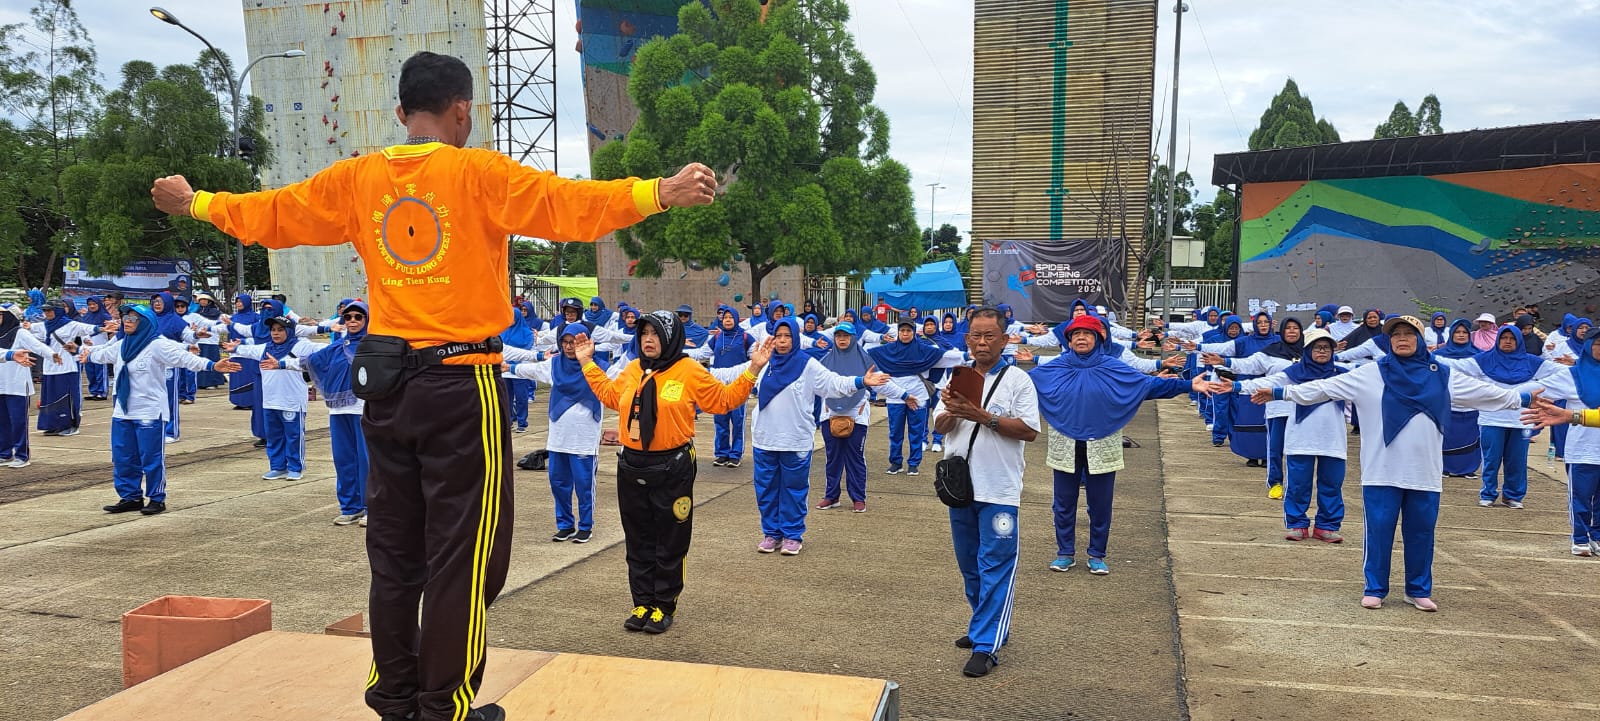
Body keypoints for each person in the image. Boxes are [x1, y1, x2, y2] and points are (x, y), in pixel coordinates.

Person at [150, 50, 718, 721]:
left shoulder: (358, 178)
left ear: (401, 112)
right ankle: (443, 706)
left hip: (387, 387)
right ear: (462, 111)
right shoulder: (478, 173)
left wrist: (197, 202)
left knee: (394, 551)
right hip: (461, 384)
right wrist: (659, 191)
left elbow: (275, 213)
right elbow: (567, 205)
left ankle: (395, 698)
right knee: (465, 556)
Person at [1260, 315, 1534, 611]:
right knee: (1379, 532)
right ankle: (1375, 588)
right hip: (1381, 471)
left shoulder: (1443, 375)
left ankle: (1417, 589)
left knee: (1421, 533)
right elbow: (1323, 388)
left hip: (1424, 472)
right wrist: (1280, 392)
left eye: (1409, 333)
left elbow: (1484, 393)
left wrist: (1523, 398)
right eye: (1395, 334)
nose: (1402, 338)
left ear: (1421, 340)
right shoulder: (1370, 374)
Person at [575, 311, 768, 634]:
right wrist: (587, 362)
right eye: (644, 334)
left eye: (655, 334)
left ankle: (664, 605)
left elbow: (722, 401)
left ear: (670, 337)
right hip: (632, 465)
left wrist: (753, 369)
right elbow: (611, 396)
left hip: (672, 467)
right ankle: (642, 603)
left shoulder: (688, 370)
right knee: (638, 540)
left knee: (670, 541)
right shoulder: (633, 370)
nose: (648, 340)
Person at [1030, 315, 1213, 575]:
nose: (1081, 338)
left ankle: (1097, 554)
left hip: (1103, 442)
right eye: (1076, 334)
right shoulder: (1053, 368)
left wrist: (1186, 385)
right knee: (1063, 503)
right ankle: (1065, 552)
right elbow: (1022, 385)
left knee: (1100, 503)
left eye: (1087, 334)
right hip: (1065, 442)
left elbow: (1147, 385)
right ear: (1068, 341)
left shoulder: (1113, 366)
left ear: (1098, 339)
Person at [929, 308, 1040, 679]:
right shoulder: (956, 376)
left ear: (1004, 339)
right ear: (966, 339)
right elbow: (939, 427)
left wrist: (981, 415)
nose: (981, 342)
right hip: (960, 488)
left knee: (995, 565)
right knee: (970, 565)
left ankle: (986, 645)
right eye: (975, 335)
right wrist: (953, 411)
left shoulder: (1018, 381)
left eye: (990, 335)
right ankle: (985, 626)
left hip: (999, 492)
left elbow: (1028, 430)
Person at [747, 317, 888, 555]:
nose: (782, 341)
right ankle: (771, 534)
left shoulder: (807, 364)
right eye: (778, 336)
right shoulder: (762, 362)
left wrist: (860, 381)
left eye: (787, 336)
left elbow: (833, 383)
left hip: (795, 440)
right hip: (765, 440)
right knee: (766, 490)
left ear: (795, 338)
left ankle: (792, 535)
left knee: (793, 490)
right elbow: (734, 379)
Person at [86, 305, 240, 516]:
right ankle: (130, 496)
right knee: (123, 457)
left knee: (151, 458)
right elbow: (101, 355)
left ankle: (156, 498)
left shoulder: (157, 345)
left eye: (133, 318)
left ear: (145, 322)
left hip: (149, 411)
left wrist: (212, 366)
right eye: (125, 317)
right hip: (123, 411)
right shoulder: (122, 345)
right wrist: (82, 353)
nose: (127, 321)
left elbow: (184, 358)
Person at [1434, 325, 1566, 509]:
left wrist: (1580, 363)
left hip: (1522, 420)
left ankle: (1513, 496)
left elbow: (1564, 373)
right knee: (1491, 459)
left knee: (1518, 461)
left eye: (1512, 338)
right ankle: (1488, 493)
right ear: (1497, 340)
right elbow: (1456, 365)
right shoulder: (1484, 360)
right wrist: (1426, 356)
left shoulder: (1533, 362)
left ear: (1519, 341)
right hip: (1491, 419)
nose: (1507, 341)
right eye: (1504, 338)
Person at [507, 322, 611, 543]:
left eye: (574, 342)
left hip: (584, 440)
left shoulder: (599, 368)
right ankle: (565, 525)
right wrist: (510, 368)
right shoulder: (554, 365)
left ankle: (585, 526)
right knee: (558, 483)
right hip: (558, 439)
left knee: (584, 486)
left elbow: (622, 381)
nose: (569, 347)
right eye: (565, 342)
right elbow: (533, 370)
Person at [1242, 329, 1350, 541]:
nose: (1322, 351)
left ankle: (1327, 526)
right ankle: (1297, 523)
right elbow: (1264, 383)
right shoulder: (1292, 374)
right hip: (1301, 439)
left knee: (1332, 485)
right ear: (1307, 351)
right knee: (1298, 485)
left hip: (1333, 440)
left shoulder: (1343, 375)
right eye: (1317, 347)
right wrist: (1236, 386)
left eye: (1326, 348)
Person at [287, 300, 373, 525]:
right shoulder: (337, 346)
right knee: (343, 459)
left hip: (365, 409)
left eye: (358, 317)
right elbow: (311, 361)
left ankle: (371, 508)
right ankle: (350, 507)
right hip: (338, 409)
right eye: (348, 317)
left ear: (367, 320)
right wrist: (280, 364)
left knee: (367, 459)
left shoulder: (374, 345)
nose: (352, 321)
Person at [1519, 336, 1600, 556]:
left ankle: (1597, 537)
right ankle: (1580, 538)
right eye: (1598, 344)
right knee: (1581, 497)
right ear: (1587, 347)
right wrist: (1510, 397)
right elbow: (1537, 389)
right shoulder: (1572, 375)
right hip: (1583, 449)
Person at [225, 315, 320, 481]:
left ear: (289, 331)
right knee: (274, 436)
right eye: (273, 330)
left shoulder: (302, 346)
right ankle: (277, 467)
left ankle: (295, 467)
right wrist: (234, 348)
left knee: (293, 436)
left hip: (292, 402)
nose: (276, 333)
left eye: (280, 330)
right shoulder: (265, 348)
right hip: (270, 402)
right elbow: (247, 350)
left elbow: (324, 351)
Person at [867, 320, 966, 476]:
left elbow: (944, 356)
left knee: (916, 431)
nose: (905, 334)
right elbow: (865, 355)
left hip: (919, 396)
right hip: (896, 397)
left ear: (914, 332)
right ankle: (895, 462)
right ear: (898, 332)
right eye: (902, 331)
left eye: (908, 331)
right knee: (895, 432)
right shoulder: (887, 350)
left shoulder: (924, 350)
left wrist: (966, 356)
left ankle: (914, 463)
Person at [816, 322, 874, 513]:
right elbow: (815, 384)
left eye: (846, 336)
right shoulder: (825, 360)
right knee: (832, 457)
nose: (842, 339)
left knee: (855, 457)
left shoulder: (865, 359)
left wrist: (903, 396)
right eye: (838, 336)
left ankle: (858, 497)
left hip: (857, 414)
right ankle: (831, 496)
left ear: (853, 338)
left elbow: (880, 382)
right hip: (830, 413)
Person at [34, 299, 99, 437]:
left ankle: (71, 425)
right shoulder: (43, 325)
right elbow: (27, 329)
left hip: (66, 367)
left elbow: (87, 328)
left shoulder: (70, 324)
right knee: (50, 398)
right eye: (45, 310)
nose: (46, 313)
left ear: (57, 311)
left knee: (67, 398)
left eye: (49, 310)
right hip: (49, 368)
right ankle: (53, 425)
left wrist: (102, 328)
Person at [0, 307, 51, 466]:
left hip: (17, 385)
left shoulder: (20, 332)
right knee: (2, 422)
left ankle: (22, 455)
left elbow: (38, 347)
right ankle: (5, 453)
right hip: (1, 384)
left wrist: (53, 355)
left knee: (18, 422)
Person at [1434, 320, 1483, 477]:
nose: (1461, 335)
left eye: (1464, 332)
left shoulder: (1480, 356)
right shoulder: (1438, 355)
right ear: (1451, 334)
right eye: (1457, 332)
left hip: (1472, 404)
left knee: (1470, 436)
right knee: (1447, 436)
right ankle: (1445, 467)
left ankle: (1468, 469)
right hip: (1447, 403)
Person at [707, 306, 753, 467]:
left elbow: (755, 358)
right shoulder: (716, 337)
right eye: (725, 317)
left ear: (736, 319)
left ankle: (735, 454)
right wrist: (683, 352)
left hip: (739, 385)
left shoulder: (746, 337)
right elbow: (703, 353)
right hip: (719, 386)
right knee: (720, 420)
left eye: (730, 317)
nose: (727, 320)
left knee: (738, 421)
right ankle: (722, 453)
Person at [79, 296, 114, 400]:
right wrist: (85, 339)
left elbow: (111, 328)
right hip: (87, 346)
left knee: (100, 369)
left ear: (99, 304)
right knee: (90, 371)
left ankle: (102, 392)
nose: (92, 306)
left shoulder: (105, 316)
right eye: (89, 304)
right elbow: (82, 330)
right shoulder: (86, 317)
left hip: (100, 345)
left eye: (94, 304)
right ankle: (93, 391)